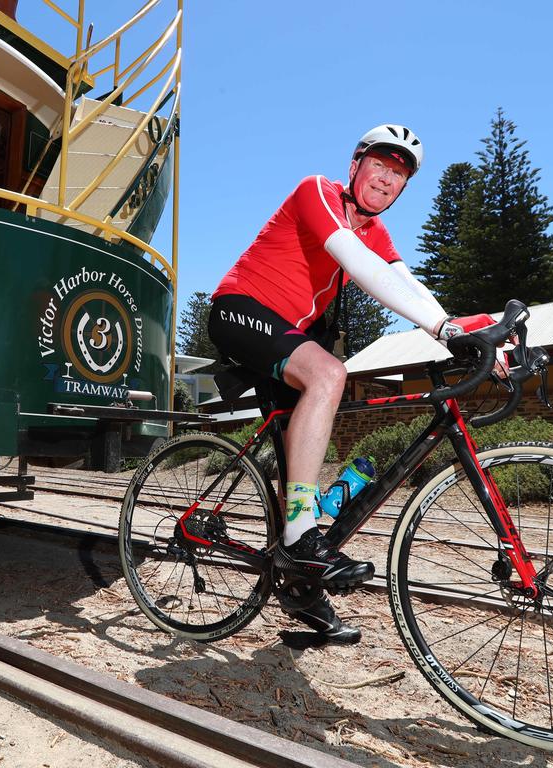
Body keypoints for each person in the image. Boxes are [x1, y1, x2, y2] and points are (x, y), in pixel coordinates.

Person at [207, 125, 496, 644]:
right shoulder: (315, 189)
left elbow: (407, 284)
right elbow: (360, 267)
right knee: (329, 373)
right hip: (240, 310)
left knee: (305, 449)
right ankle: (300, 539)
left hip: (291, 334)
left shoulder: (377, 234)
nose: (387, 179)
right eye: (380, 165)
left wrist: (461, 330)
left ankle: (298, 588)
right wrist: (442, 329)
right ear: (355, 166)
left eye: (399, 174)